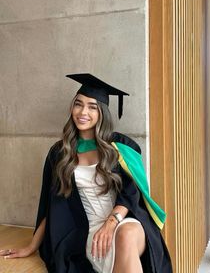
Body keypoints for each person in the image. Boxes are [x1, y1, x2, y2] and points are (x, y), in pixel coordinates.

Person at [0, 74, 172, 273]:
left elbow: (131, 193)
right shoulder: (60, 153)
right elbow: (51, 206)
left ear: (102, 113)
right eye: (78, 104)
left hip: (124, 222)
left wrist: (111, 224)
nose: (83, 112)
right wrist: (31, 247)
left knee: (125, 234)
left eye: (92, 107)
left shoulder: (120, 147)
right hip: (88, 232)